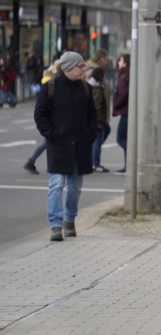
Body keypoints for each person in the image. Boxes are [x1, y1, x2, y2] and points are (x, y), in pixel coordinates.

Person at [33, 52, 97, 241]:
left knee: (75, 188)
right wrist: (52, 135)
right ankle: (55, 224)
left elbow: (93, 114)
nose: (84, 70)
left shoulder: (86, 88)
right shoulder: (50, 88)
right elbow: (40, 115)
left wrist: (90, 134)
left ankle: (70, 220)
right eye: (81, 66)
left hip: (80, 146)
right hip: (59, 146)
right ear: (69, 68)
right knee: (56, 184)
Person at [24, 60, 61, 175]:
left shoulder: (51, 79)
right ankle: (31, 161)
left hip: (52, 117)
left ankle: (31, 161)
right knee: (48, 141)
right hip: (51, 118)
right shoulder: (50, 82)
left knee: (47, 142)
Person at [88, 67, 109, 172]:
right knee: (97, 142)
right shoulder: (96, 88)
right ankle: (95, 163)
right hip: (97, 120)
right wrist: (99, 122)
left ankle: (92, 162)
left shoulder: (93, 86)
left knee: (95, 142)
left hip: (95, 120)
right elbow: (97, 106)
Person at [112, 54, 130, 175]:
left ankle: (129, 162)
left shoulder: (124, 77)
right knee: (125, 139)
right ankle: (128, 165)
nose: (118, 62)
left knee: (120, 139)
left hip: (125, 112)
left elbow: (123, 94)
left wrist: (116, 105)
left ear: (125, 63)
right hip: (128, 112)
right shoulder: (128, 75)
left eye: (121, 61)